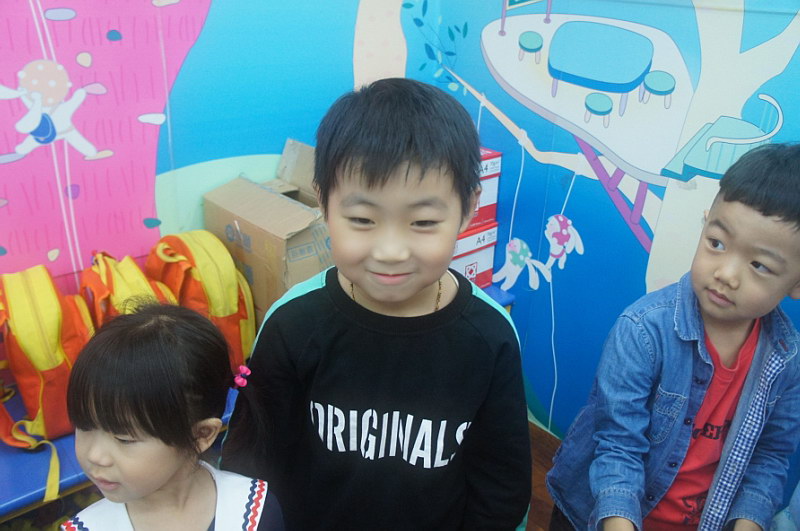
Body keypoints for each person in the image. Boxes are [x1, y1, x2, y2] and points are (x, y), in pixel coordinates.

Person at [221, 77, 531, 530]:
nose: (390, 251)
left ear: (467, 208)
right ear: (324, 203)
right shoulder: (292, 324)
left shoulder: (490, 335)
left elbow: (501, 484)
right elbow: (252, 464)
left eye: (423, 222)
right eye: (363, 219)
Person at [546, 143, 800, 530]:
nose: (726, 274)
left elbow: (769, 457)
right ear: (705, 224)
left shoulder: (787, 358)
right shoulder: (643, 330)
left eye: (759, 265)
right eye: (717, 244)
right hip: (603, 514)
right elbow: (617, 443)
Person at [61, 303, 283, 530]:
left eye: (124, 439)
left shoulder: (253, 512)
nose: (95, 456)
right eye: (84, 426)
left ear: (201, 435)